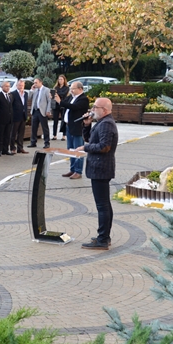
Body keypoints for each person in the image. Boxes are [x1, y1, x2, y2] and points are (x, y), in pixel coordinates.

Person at [75, 98, 118, 250]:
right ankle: (104, 236)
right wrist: (87, 125)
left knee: (102, 205)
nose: (92, 109)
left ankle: (103, 239)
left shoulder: (106, 123)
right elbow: (90, 139)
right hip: (99, 167)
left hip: (101, 168)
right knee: (104, 204)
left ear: (104, 110)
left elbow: (104, 146)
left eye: (95, 107)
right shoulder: (101, 122)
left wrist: (84, 148)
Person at [59, 81, 89, 179]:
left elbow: (73, 107)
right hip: (69, 126)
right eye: (71, 88)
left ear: (80, 89)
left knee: (78, 149)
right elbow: (64, 104)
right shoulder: (71, 97)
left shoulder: (84, 99)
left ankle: (78, 171)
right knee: (70, 149)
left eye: (73, 89)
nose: (71, 90)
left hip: (77, 127)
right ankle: (72, 169)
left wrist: (60, 101)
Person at [28, 78, 53, 149]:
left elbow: (49, 101)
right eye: (34, 83)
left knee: (44, 127)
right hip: (35, 111)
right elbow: (29, 97)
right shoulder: (35, 90)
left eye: (36, 83)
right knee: (34, 127)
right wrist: (31, 90)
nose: (34, 84)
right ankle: (33, 142)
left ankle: (47, 142)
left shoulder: (46, 90)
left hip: (42, 111)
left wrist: (48, 110)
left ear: (40, 82)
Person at [0, 81, 13, 156]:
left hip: (9, 119)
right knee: (0, 135)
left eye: (8, 86)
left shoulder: (10, 95)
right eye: (6, 86)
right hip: (1, 119)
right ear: (2, 87)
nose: (7, 87)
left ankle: (5, 150)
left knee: (7, 135)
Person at [11, 79, 28, 154]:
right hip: (15, 116)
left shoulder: (26, 93)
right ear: (17, 86)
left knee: (21, 133)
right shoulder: (13, 94)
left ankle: (20, 148)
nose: (21, 87)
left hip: (23, 116)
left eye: (22, 85)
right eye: (19, 85)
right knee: (13, 133)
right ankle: (12, 148)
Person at [52, 75, 70, 141]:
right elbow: (53, 93)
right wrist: (57, 94)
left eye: (61, 79)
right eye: (59, 79)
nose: (60, 81)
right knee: (55, 120)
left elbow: (63, 94)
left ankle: (64, 135)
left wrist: (57, 93)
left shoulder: (66, 87)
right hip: (56, 105)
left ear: (64, 80)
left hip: (63, 105)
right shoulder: (56, 87)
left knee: (63, 120)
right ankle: (54, 135)